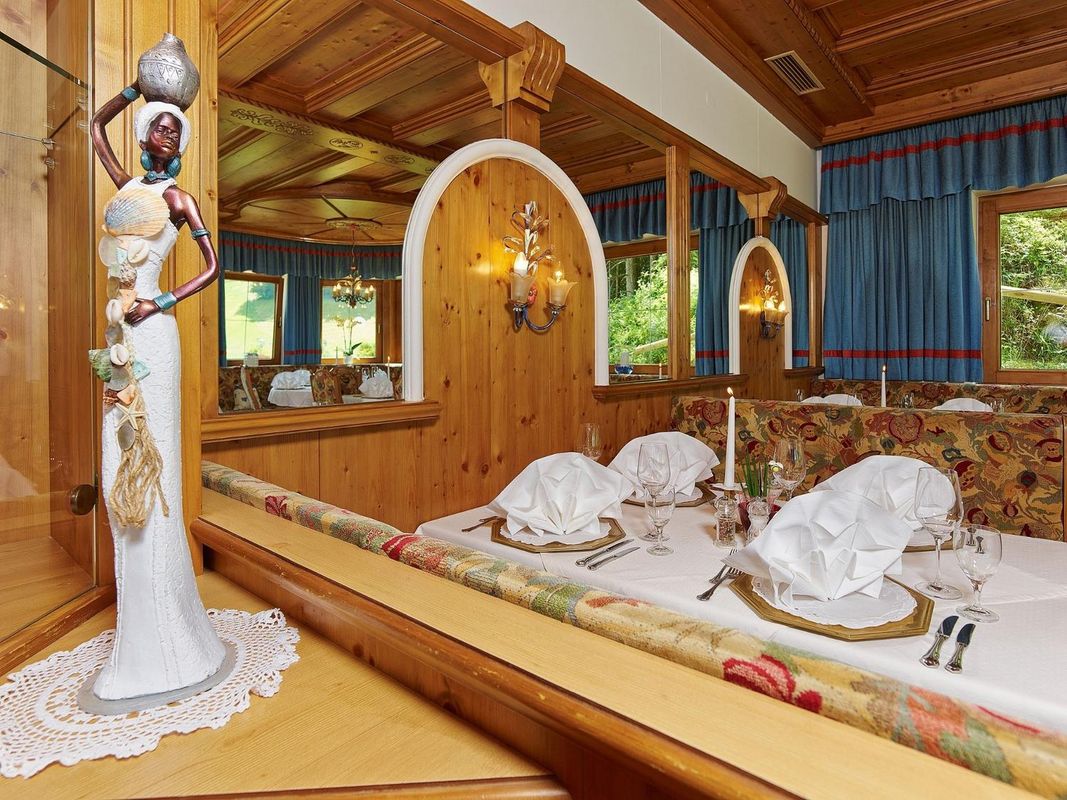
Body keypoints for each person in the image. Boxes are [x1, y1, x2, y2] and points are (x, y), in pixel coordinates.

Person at [88, 82, 226, 702]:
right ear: (145, 134)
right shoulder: (126, 189)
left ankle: (170, 637)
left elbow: (212, 266)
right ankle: (140, 630)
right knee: (118, 456)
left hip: (153, 332)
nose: (165, 134)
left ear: (181, 145)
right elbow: (96, 127)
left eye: (175, 128)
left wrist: (160, 301)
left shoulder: (177, 198)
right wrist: (136, 91)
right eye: (158, 125)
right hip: (118, 334)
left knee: (155, 459)